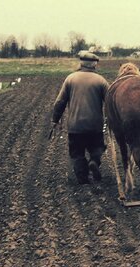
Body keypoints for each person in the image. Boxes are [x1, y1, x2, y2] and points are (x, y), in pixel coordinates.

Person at [51, 50, 109, 184]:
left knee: (77, 153)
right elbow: (110, 102)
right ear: (94, 65)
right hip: (95, 126)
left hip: (75, 126)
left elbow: (60, 102)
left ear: (81, 63)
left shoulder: (70, 79)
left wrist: (55, 119)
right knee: (97, 148)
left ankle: (82, 179)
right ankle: (94, 161)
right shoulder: (101, 81)